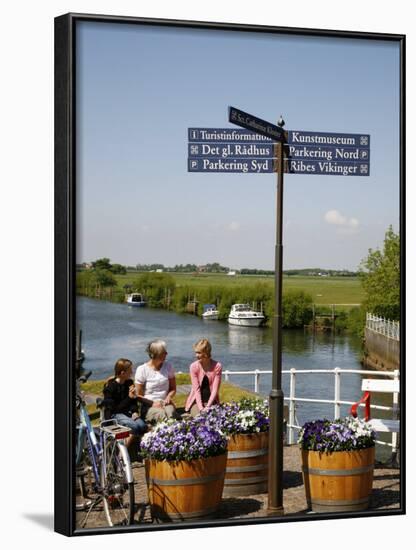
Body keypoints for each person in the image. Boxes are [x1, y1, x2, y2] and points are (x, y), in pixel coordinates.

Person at [102, 358, 147, 449]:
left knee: (142, 426)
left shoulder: (129, 383)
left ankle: (138, 450)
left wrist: (134, 411)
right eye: (130, 371)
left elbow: (133, 401)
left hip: (127, 413)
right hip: (115, 414)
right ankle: (121, 456)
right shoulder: (111, 387)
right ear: (122, 373)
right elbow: (113, 409)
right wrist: (129, 398)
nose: (132, 373)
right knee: (134, 427)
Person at [135, 339, 180, 422]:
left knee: (171, 413)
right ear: (156, 354)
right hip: (149, 405)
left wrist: (169, 397)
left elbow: (173, 389)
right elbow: (138, 396)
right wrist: (153, 403)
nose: (167, 354)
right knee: (162, 415)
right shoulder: (142, 369)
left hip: (165, 403)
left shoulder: (168, 366)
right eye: (164, 352)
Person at [185, 338, 222, 417]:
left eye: (199, 353)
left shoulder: (217, 366)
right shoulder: (193, 366)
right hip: (196, 402)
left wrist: (208, 406)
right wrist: (201, 408)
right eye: (196, 352)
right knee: (199, 416)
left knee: (215, 417)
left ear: (206, 353)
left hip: (212, 401)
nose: (196, 355)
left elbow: (215, 389)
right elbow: (196, 389)